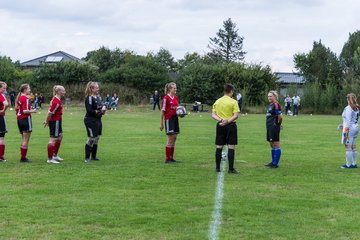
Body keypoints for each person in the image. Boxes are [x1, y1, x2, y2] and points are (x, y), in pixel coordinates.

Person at [211, 83, 240, 174]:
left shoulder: (218, 101)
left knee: (219, 146)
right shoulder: (233, 102)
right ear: (231, 91)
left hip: (220, 125)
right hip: (230, 125)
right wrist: (227, 121)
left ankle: (217, 168)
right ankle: (231, 169)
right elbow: (236, 115)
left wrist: (221, 120)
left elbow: (213, 114)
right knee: (231, 146)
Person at [84, 82, 106, 163]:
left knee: (97, 138)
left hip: (98, 120)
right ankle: (86, 158)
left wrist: (103, 110)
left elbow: (101, 107)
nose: (98, 89)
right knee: (91, 138)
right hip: (90, 120)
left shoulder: (98, 97)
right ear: (92, 89)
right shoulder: (89, 98)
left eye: (98, 87)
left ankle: (93, 156)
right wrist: (100, 111)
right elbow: (89, 111)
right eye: (96, 88)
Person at [43, 86, 66, 164]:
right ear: (59, 91)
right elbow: (50, 112)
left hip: (58, 120)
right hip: (55, 121)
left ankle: (55, 155)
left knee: (60, 137)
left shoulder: (57, 100)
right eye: (63, 91)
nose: (64, 92)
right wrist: (46, 121)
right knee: (53, 139)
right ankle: (50, 159)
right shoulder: (56, 101)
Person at [16, 84, 37, 163]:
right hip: (25, 119)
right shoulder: (25, 98)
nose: (30, 90)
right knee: (26, 139)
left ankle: (22, 156)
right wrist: (33, 111)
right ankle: (23, 158)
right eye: (29, 89)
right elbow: (25, 111)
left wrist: (30, 108)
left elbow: (20, 109)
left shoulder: (20, 97)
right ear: (24, 90)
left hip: (19, 120)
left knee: (23, 138)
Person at [160, 82, 180, 163]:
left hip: (175, 119)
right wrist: (161, 123)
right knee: (170, 138)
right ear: (170, 89)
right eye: (174, 88)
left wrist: (181, 113)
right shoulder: (166, 98)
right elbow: (162, 111)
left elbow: (177, 109)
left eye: (176, 88)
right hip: (169, 119)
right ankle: (167, 159)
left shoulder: (176, 97)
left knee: (174, 138)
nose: (176, 89)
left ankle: (171, 158)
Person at [340, 93, 360, 168]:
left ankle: (348, 165)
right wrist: (342, 125)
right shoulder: (357, 107)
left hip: (350, 129)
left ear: (348, 99)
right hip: (355, 128)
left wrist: (345, 132)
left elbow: (348, 121)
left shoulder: (348, 108)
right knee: (353, 147)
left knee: (348, 147)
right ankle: (354, 164)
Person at [265, 90, 283, 168]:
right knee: (271, 144)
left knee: (276, 144)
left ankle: (275, 164)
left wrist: (279, 124)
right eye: (268, 96)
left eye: (270, 96)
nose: (269, 97)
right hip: (269, 127)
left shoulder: (276, 104)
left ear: (275, 97)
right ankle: (273, 162)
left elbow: (280, 116)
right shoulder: (270, 105)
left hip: (274, 127)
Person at [0, 81, 9, 162]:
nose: (5, 90)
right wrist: (3, 110)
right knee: (1, 138)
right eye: (4, 88)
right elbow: (6, 104)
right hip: (0, 118)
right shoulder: (1, 95)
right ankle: (1, 157)